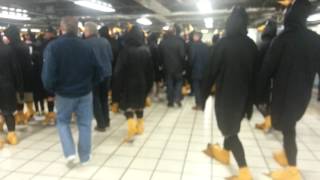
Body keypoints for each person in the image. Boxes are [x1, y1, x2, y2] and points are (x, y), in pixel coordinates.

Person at [256, 0, 320, 179]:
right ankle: (288, 156)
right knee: (289, 126)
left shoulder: (282, 39)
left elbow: (267, 70)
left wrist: (259, 94)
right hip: (303, 95)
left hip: (283, 94)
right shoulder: (315, 40)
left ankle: (292, 169)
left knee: (287, 127)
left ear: (290, 16)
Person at [201, 7, 258, 180]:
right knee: (231, 128)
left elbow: (210, 72)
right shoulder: (251, 46)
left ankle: (244, 172)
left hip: (226, 98)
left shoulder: (222, 44)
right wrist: (250, 104)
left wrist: (202, 96)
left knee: (230, 133)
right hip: (244, 98)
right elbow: (256, 77)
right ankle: (225, 154)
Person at [42, 16, 103, 165]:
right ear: (77, 29)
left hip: (63, 93)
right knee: (84, 124)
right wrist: (90, 84)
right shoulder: (87, 46)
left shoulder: (53, 47)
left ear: (61, 29)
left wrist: (51, 88)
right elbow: (98, 70)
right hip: (85, 92)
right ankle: (85, 156)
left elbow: (48, 73)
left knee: (62, 121)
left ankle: (69, 153)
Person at [113, 26, 154, 142]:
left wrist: (116, 87)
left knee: (128, 107)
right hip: (142, 83)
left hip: (127, 84)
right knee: (140, 105)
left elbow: (118, 71)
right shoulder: (146, 50)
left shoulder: (125, 51)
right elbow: (150, 72)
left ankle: (131, 128)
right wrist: (149, 87)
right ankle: (140, 128)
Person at [84, 22, 113, 132]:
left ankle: (101, 124)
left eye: (85, 31)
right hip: (107, 73)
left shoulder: (86, 43)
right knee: (104, 98)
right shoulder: (105, 41)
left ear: (89, 31)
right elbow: (110, 57)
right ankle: (106, 120)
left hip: (94, 76)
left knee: (95, 99)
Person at [4, 26, 34, 126]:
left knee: (18, 98)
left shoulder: (10, 47)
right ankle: (29, 113)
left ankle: (20, 116)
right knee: (25, 97)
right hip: (28, 76)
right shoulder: (24, 46)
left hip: (16, 77)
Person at [0, 33, 23, 146]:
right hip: (7, 86)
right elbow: (16, 69)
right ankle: (11, 136)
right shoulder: (8, 50)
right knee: (8, 111)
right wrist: (20, 87)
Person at [255, 20, 277, 133]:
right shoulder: (277, 43)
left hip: (262, 78)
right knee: (268, 102)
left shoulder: (262, 44)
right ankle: (267, 121)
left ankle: (269, 123)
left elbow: (256, 62)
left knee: (260, 101)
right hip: (274, 79)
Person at [159, 26, 186, 107]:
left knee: (169, 83)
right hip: (178, 67)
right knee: (179, 82)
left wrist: (161, 65)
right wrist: (184, 67)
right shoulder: (180, 42)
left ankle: (170, 101)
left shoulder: (163, 42)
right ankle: (177, 98)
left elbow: (160, 55)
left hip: (167, 67)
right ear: (175, 32)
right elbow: (182, 55)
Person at [189, 31, 209, 110]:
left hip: (196, 71)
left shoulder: (193, 46)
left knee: (196, 89)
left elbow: (192, 59)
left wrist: (189, 65)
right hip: (205, 71)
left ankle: (198, 104)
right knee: (202, 88)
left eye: (194, 36)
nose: (193, 37)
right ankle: (203, 104)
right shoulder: (206, 46)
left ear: (197, 37)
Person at [41, 27, 57, 125]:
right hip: (59, 73)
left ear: (51, 33)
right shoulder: (59, 43)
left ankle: (51, 114)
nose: (45, 34)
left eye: (46, 33)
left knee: (50, 94)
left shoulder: (46, 44)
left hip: (49, 72)